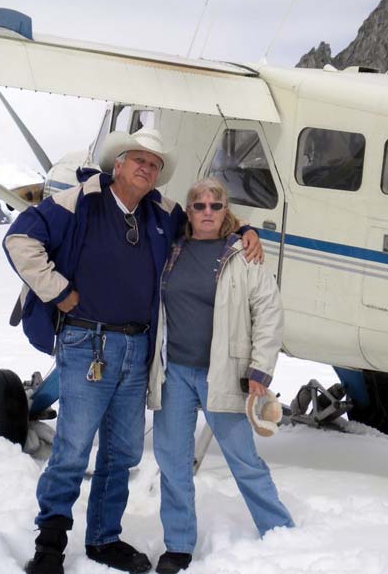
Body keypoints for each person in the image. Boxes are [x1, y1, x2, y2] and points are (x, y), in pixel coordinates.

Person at [3, 128, 262, 574]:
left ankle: (104, 538)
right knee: (73, 448)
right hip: (88, 342)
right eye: (137, 159)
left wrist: (246, 230)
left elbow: (208, 222)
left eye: (155, 163)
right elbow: (19, 241)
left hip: (138, 346)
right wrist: (57, 290)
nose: (146, 167)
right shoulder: (79, 200)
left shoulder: (162, 212)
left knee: (122, 452)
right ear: (117, 164)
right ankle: (49, 546)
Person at [148, 178, 294, 574]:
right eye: (200, 206)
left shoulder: (244, 255)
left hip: (224, 375)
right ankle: (177, 546)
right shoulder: (171, 250)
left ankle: (280, 532)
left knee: (244, 460)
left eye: (216, 206)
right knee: (174, 461)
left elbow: (268, 312)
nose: (208, 212)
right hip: (174, 372)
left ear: (226, 210)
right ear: (190, 212)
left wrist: (260, 368)